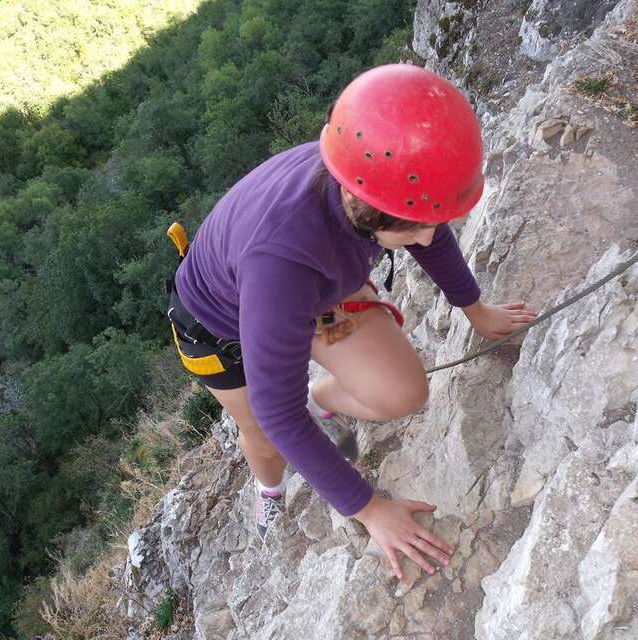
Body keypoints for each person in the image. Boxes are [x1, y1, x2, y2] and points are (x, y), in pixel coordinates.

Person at [167, 64, 537, 580]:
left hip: (313, 288)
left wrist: (474, 308)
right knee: (264, 433)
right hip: (219, 324)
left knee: (402, 392)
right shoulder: (281, 261)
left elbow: (427, 226)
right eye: (414, 229)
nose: (429, 239)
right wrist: (367, 508)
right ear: (369, 213)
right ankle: (269, 492)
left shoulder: (367, 176)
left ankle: (321, 401)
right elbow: (276, 408)